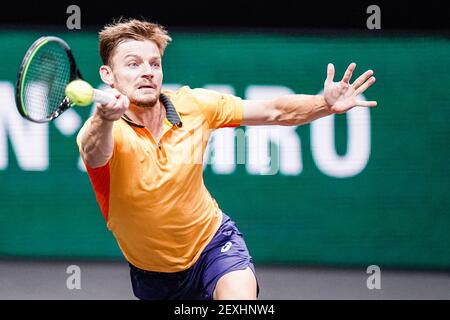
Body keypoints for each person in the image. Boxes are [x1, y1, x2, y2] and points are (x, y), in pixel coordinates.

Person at [76, 19, 377, 300]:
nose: (147, 72)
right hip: (153, 277)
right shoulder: (104, 131)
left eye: (154, 63)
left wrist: (323, 103)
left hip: (215, 246)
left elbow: (274, 111)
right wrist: (104, 119)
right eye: (133, 64)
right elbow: (94, 151)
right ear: (108, 75)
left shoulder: (194, 105)